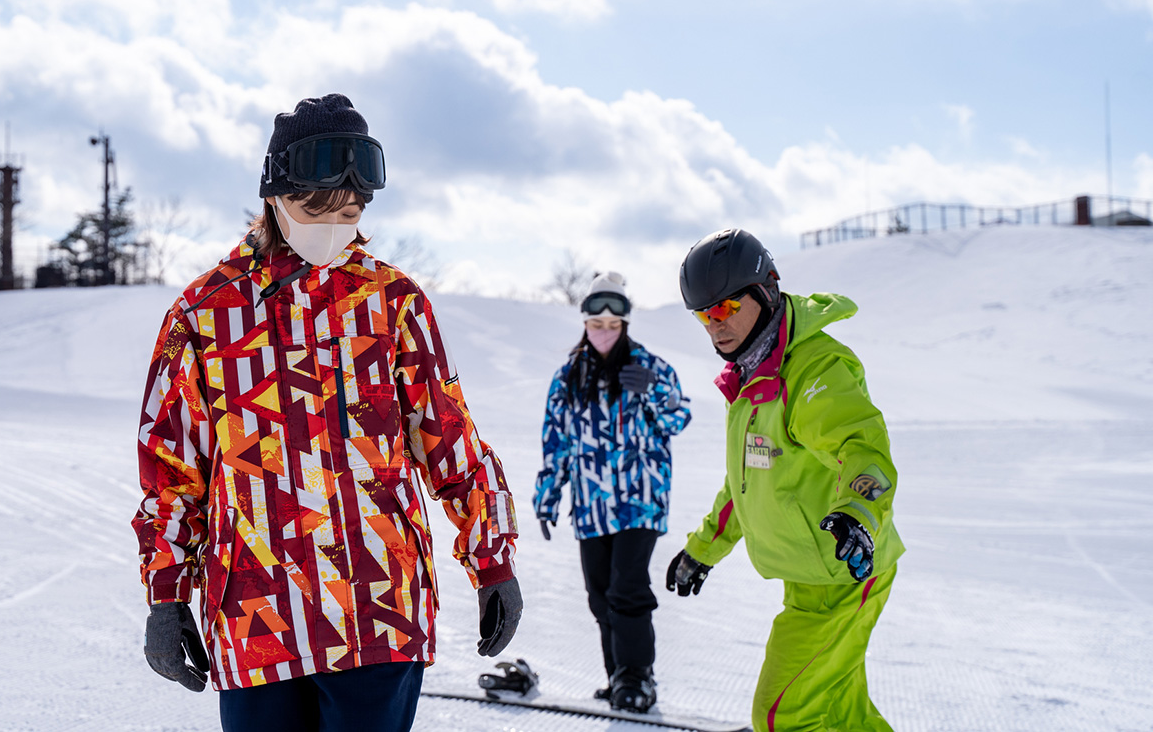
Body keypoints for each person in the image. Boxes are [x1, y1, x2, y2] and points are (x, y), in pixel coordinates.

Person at [132, 94, 521, 732]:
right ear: (275, 194)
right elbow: (172, 472)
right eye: (317, 207)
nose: (336, 224)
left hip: (378, 609)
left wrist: (492, 559)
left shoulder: (391, 302)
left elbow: (448, 439)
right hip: (260, 614)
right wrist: (167, 595)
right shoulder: (204, 315)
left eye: (352, 210)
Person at [665, 228, 904, 732]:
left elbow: (862, 450)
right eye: (704, 315)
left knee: (782, 715)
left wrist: (859, 514)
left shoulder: (813, 369)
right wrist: (703, 550)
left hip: (845, 572)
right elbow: (744, 484)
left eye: (727, 307)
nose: (715, 326)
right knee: (841, 713)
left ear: (765, 291)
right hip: (811, 578)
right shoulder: (754, 377)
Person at [533, 271, 691, 714]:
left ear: (625, 325)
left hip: (641, 499)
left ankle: (637, 677)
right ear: (585, 324)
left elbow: (680, 419)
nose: (604, 333)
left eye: (613, 326)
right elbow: (556, 441)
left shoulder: (650, 368)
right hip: (592, 505)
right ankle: (618, 676)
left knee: (627, 588)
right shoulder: (568, 376)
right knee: (600, 593)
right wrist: (548, 496)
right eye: (596, 325)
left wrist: (656, 392)